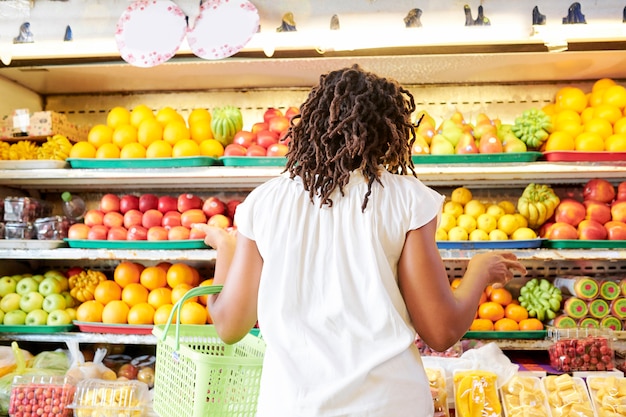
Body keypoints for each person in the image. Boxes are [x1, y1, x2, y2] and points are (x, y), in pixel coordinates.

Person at [192, 64, 526, 417]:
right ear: (388, 132)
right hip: (389, 405)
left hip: (292, 407)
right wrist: (479, 271)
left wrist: (226, 252)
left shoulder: (265, 203)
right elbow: (441, 331)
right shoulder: (406, 200)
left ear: (311, 126)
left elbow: (229, 326)